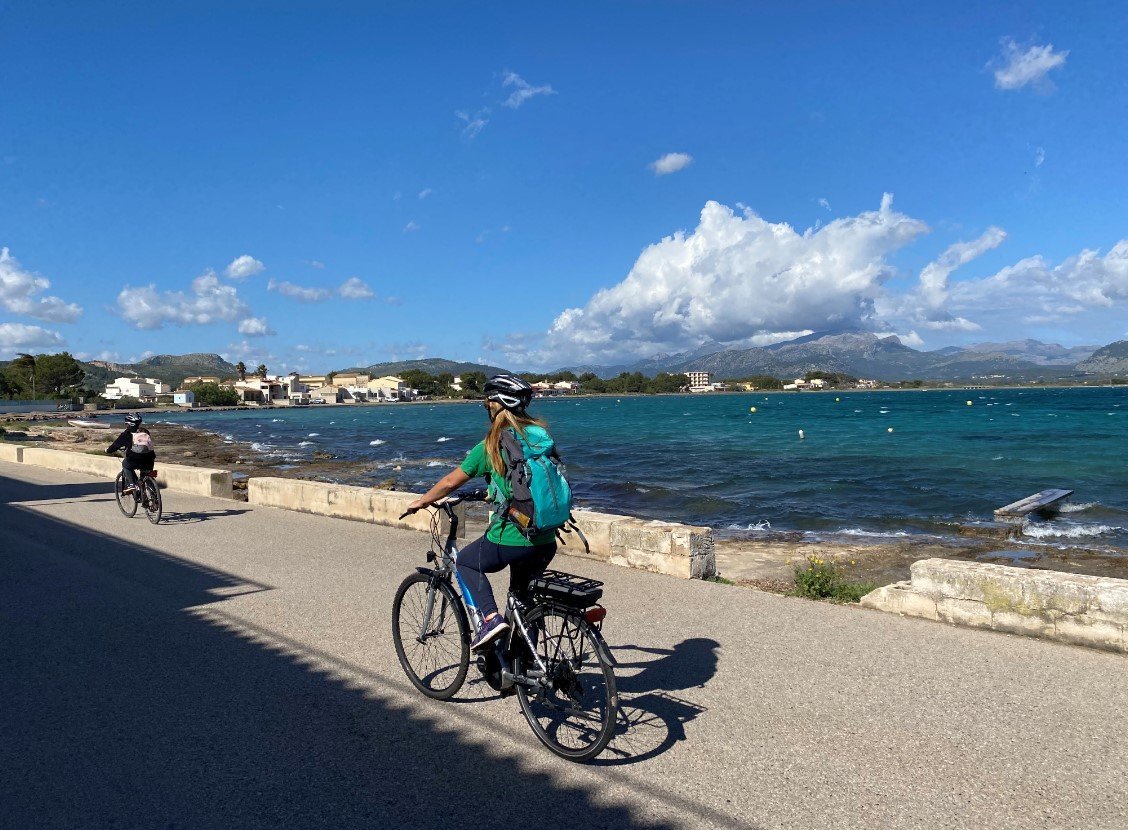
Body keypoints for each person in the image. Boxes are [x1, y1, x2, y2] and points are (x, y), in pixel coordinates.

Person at [406, 374, 557, 651]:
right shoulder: (541, 438)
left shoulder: (490, 445)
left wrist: (422, 501)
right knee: (523, 600)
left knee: (465, 562)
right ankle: (524, 668)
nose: (486, 407)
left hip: (512, 537)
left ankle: (489, 618)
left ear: (496, 406)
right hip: (546, 538)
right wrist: (494, 493)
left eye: (487, 403)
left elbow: (451, 482)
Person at [107, 414, 156, 493]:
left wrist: (108, 450)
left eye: (126, 423)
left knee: (125, 464)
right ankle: (154, 498)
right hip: (149, 458)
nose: (126, 425)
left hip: (134, 459)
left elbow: (115, 445)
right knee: (146, 476)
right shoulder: (145, 432)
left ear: (129, 424)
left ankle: (132, 484)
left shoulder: (126, 434)